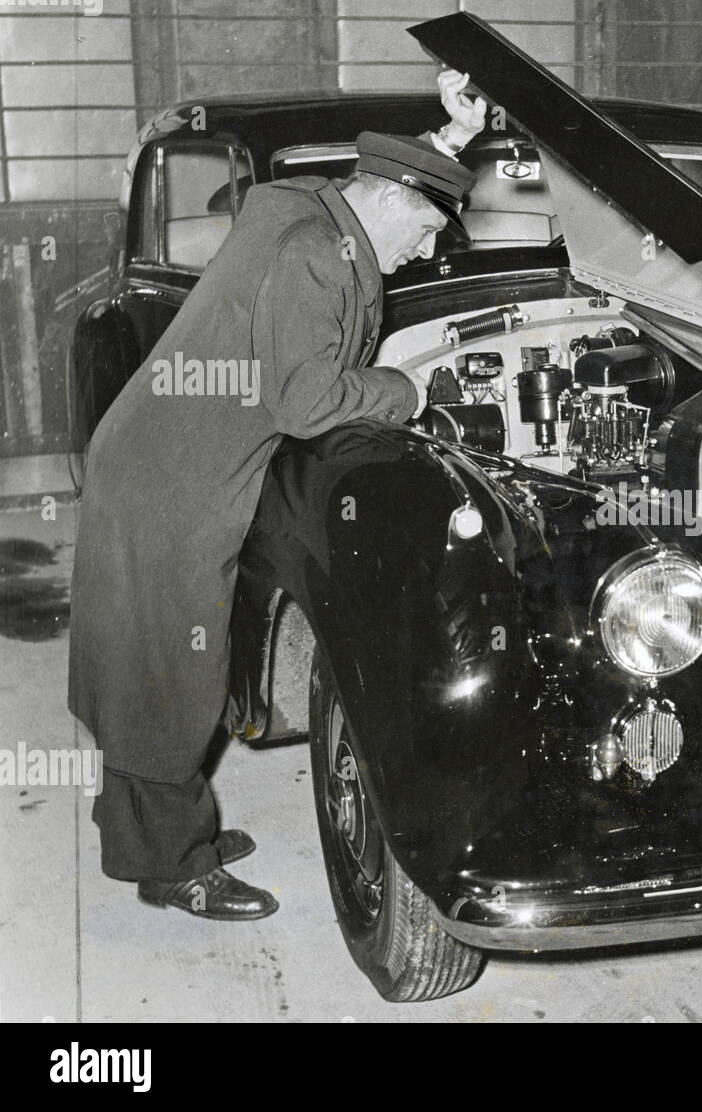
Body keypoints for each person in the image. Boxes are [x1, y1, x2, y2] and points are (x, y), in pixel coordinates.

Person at [67, 70, 487, 921]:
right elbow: (305, 401)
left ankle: (145, 833)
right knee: (169, 676)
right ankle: (173, 867)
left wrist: (449, 142)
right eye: (425, 233)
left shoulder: (312, 208)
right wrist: (407, 392)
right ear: (395, 204)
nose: (422, 254)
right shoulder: (313, 260)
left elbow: (388, 176)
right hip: (172, 480)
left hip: (148, 453)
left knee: (140, 658)